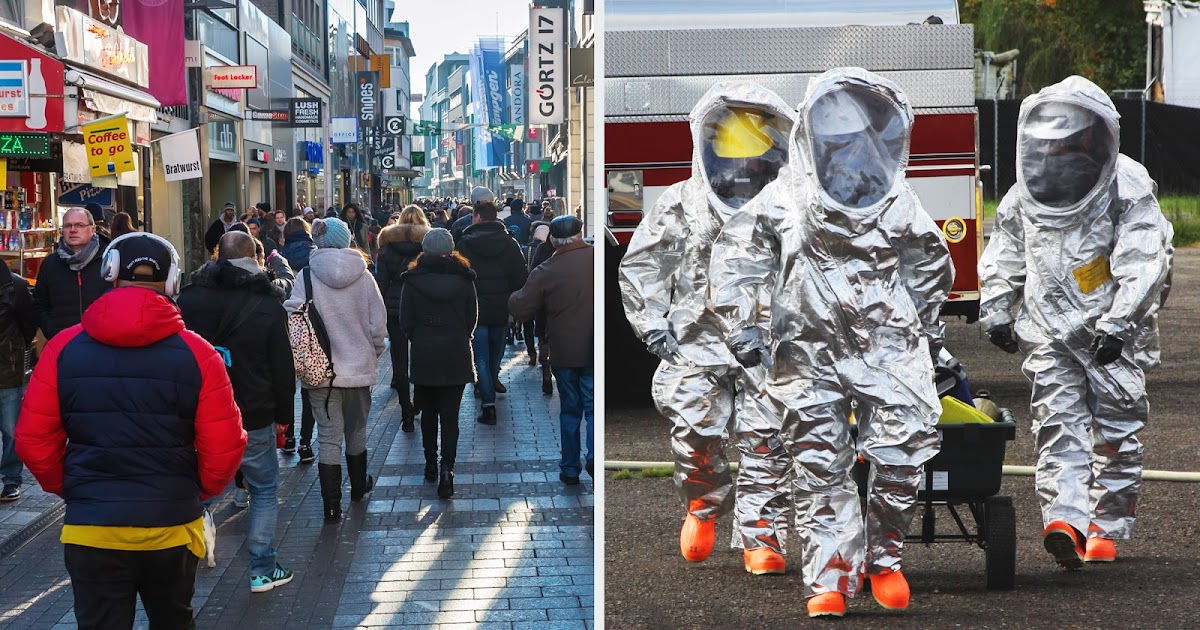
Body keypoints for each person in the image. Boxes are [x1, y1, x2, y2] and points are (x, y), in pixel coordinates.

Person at [708, 69, 954, 616]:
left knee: (901, 456)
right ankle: (831, 578)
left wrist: (929, 335)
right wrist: (742, 326)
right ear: (813, 139)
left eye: (857, 140)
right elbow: (736, 262)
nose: (848, 153)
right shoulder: (783, 201)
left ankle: (886, 560)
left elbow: (931, 270)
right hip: (805, 354)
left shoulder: (898, 203)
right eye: (835, 141)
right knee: (821, 467)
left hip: (890, 350)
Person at [978, 75, 1172, 569]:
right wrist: (998, 305)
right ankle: (1065, 520)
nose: (1062, 147)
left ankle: (1103, 525)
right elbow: (1007, 246)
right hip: (1048, 330)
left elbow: (1144, 255)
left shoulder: (1125, 183)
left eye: (1074, 136)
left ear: (1096, 134)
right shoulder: (1031, 185)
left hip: (1110, 332)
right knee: (1058, 425)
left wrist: (1121, 322)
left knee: (1115, 431)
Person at [15, 232, 246, 628]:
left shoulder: (63, 348)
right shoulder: (199, 353)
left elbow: (33, 440)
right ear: (173, 280)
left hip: (93, 529)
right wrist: (195, 491)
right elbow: (225, 444)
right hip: (172, 525)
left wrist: (73, 487)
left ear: (110, 271)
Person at [619, 81, 796, 577]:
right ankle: (702, 504)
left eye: (755, 158)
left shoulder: (790, 204)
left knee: (768, 440)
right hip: (695, 345)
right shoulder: (681, 202)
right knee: (697, 434)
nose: (744, 170)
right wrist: (651, 323)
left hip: (769, 343)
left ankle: (761, 536)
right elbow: (645, 265)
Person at [177, 231, 296, 592]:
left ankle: (183, 554)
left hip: (202, 411)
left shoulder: (190, 298)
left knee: (200, 486)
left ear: (218, 256)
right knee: (262, 489)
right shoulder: (267, 303)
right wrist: (284, 414)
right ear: (254, 259)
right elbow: (282, 366)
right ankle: (262, 568)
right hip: (255, 410)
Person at [284, 218, 387, 522]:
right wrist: (373, 352)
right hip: (358, 370)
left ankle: (331, 505)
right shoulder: (364, 276)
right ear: (346, 240)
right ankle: (358, 487)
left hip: (321, 373)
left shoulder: (306, 275)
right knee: (357, 431)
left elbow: (293, 317)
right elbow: (377, 326)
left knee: (328, 438)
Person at [509, 216, 594, 485]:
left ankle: (570, 468)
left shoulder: (547, 269)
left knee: (570, 409)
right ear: (581, 234)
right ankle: (594, 454)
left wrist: (509, 295)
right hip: (594, 348)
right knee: (593, 407)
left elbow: (521, 308)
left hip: (565, 351)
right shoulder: (597, 258)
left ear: (553, 239)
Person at [400, 229, 477, 498]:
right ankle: (448, 468)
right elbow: (471, 318)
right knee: (451, 415)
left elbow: (405, 320)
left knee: (429, 413)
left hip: (424, 353)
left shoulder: (412, 280)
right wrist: (460, 334)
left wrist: (418, 335)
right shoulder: (464, 279)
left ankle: (430, 464)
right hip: (455, 351)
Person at [455, 198, 528, 426]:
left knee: (481, 358)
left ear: (476, 216)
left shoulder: (465, 243)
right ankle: (491, 383)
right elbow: (521, 276)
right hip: (501, 307)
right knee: (496, 354)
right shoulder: (509, 243)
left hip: (475, 308)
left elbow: (458, 275)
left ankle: (488, 404)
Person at [375, 206, 430, 431]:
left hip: (394, 306)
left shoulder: (387, 247)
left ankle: (405, 409)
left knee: (399, 357)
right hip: (421, 304)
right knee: (421, 354)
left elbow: (381, 282)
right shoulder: (428, 245)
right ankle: (419, 402)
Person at [33, 208, 110, 341]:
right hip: (61, 343)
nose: (73, 230)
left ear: (92, 229)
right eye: (68, 225)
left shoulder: (108, 261)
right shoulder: (50, 264)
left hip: (102, 344)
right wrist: (51, 329)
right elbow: (39, 304)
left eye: (80, 225)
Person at [278, 217, 319, 461]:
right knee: (308, 389)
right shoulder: (315, 256)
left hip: (284, 328)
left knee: (287, 387)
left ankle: (289, 437)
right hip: (309, 328)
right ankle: (305, 442)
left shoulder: (280, 258)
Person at [0, 266, 36, 501]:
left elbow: (28, 326)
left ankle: (12, 479)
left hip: (7, 367)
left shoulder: (16, 286)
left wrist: (14, 351)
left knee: (11, 429)